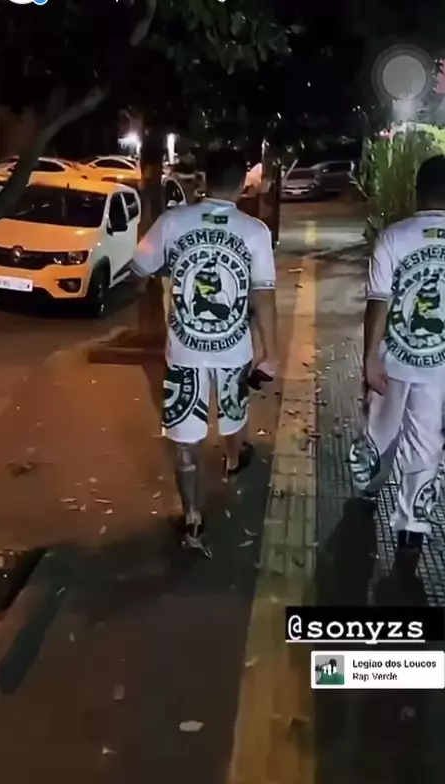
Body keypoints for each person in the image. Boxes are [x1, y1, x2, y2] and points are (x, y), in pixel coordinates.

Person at [132, 148, 277, 553]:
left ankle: (193, 517)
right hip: (234, 353)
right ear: (242, 186)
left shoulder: (172, 221)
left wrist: (165, 272)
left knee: (185, 443)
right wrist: (272, 351)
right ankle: (234, 459)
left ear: (202, 181)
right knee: (234, 414)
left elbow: (139, 269)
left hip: (184, 355)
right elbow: (263, 296)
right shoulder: (255, 232)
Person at [349, 154, 445, 556]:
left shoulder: (394, 237)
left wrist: (369, 360)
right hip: (444, 367)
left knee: (380, 430)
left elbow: (378, 303)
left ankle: (368, 490)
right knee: (427, 443)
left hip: (393, 360)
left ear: (416, 190)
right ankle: (412, 526)